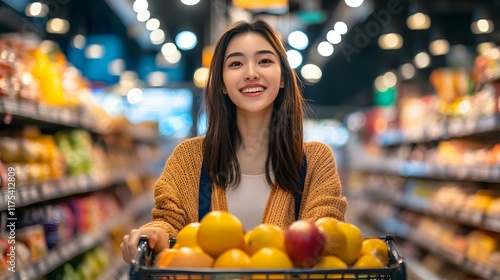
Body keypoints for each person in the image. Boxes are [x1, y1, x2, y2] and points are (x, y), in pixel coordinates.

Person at [121, 19, 347, 264]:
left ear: (283, 77)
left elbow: (326, 234)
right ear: (222, 84)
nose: (251, 73)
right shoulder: (189, 158)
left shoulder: (315, 161)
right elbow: (169, 222)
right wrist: (153, 234)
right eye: (236, 63)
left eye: (265, 61)